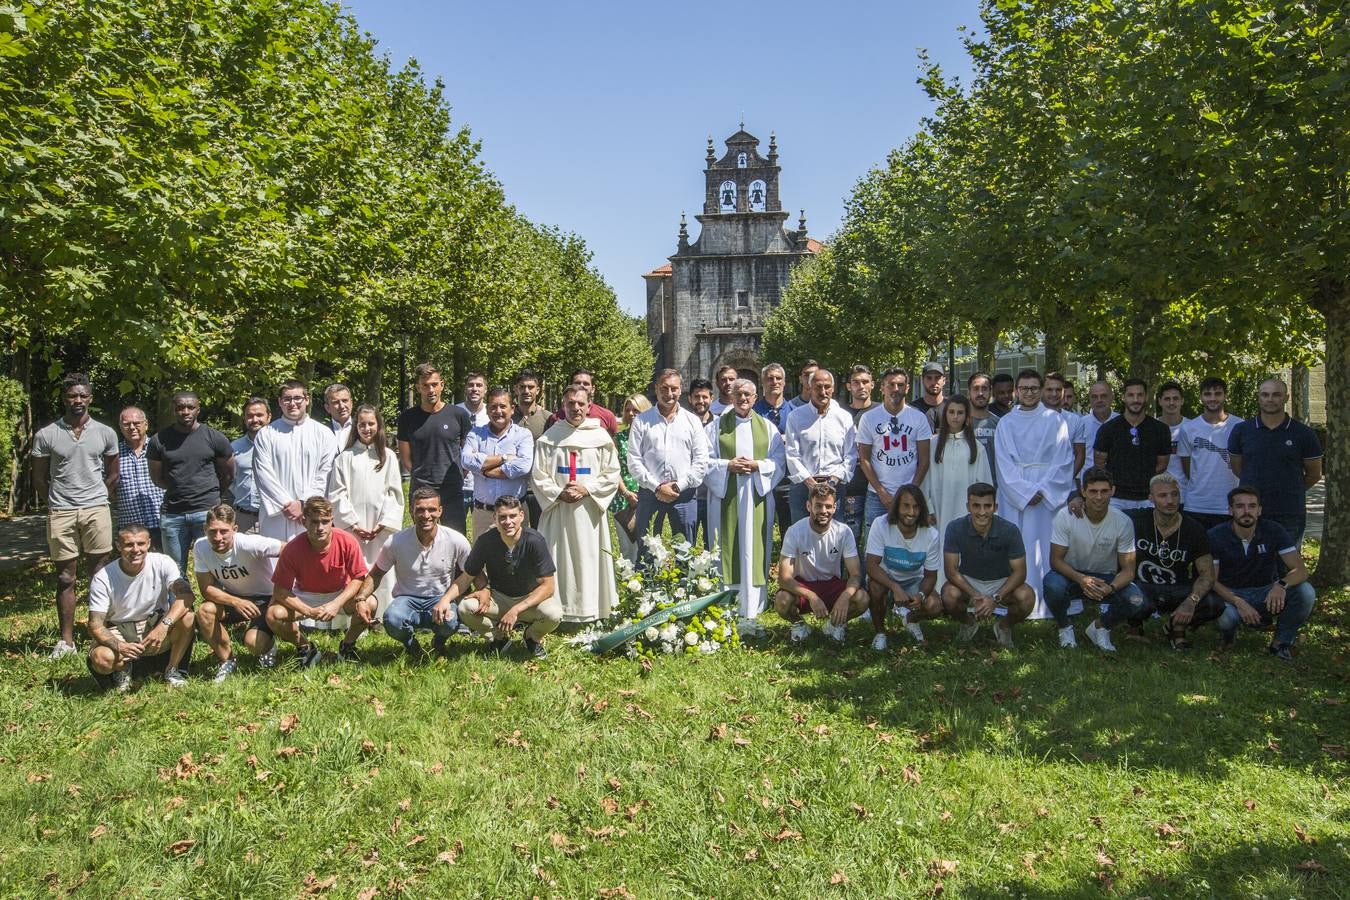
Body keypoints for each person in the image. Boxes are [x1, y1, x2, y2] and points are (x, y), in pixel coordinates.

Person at [32, 372, 120, 659]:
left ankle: (99, 633)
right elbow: (40, 478)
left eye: (83, 395)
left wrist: (99, 496)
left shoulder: (106, 432)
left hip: (96, 509)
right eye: (73, 396)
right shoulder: (47, 435)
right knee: (66, 577)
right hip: (62, 511)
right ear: (64, 398)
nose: (78, 400)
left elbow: (113, 472)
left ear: (90, 398)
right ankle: (66, 641)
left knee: (100, 574)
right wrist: (56, 503)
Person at [532, 386, 622, 625]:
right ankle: (556, 609)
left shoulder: (601, 437)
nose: (576, 408)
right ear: (563, 405)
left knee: (589, 558)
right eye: (571, 403)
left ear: (588, 405)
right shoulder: (550, 437)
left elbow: (612, 473)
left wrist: (587, 489)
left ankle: (592, 610)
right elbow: (538, 475)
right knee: (557, 557)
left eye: (581, 404)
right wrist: (559, 493)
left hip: (588, 510)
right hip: (558, 511)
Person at [703, 379, 786, 634]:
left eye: (748, 394)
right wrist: (727, 466)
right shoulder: (716, 427)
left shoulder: (768, 428)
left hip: (755, 496)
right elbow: (703, 460)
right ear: (731, 395)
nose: (743, 398)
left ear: (755, 396)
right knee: (726, 546)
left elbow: (779, 463)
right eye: (738, 394)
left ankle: (752, 604)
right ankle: (726, 600)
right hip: (724, 496)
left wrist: (757, 466)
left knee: (754, 547)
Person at [993, 369, 1075, 610]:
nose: (1029, 393)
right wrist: (1025, 492)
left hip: (1046, 497)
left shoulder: (1055, 420)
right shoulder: (1006, 422)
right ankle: (1016, 598)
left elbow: (1064, 460)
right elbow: (1003, 463)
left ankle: (1046, 601)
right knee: (1017, 545)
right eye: (1024, 389)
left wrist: (1044, 491)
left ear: (1041, 390)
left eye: (1034, 388)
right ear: (1017, 391)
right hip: (1016, 495)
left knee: (1045, 545)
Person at [1042, 467, 1144, 652]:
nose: (1099, 497)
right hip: (1072, 576)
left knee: (1137, 599)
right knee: (1052, 584)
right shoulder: (1066, 517)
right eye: (1093, 491)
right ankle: (1065, 627)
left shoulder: (1123, 521)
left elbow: (1128, 571)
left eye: (1104, 491)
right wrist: (1081, 579)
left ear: (1112, 491)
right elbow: (1055, 561)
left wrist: (1110, 587)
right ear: (1083, 491)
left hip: (1105, 578)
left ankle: (1101, 627)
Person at [1208, 486, 1315, 659]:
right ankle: (1228, 638)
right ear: (1230, 510)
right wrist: (1238, 601)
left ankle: (1281, 643)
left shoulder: (1273, 530)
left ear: (1259, 510)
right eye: (1240, 506)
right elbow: (1211, 580)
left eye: (1252, 506)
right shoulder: (1215, 535)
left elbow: (1301, 570)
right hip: (1231, 594)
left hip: (1265, 591)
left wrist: (1281, 585)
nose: (1246, 511)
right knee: (1226, 617)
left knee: (1306, 592)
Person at [86, 524, 196, 690]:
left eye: (141, 544)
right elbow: (95, 624)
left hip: (154, 623)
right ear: (118, 546)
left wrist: (164, 626)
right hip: (119, 629)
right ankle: (122, 670)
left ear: (149, 543)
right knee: (102, 659)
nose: (135, 549)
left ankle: (172, 669)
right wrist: (120, 646)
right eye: (129, 545)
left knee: (188, 617)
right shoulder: (103, 578)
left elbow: (187, 595)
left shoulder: (162, 562)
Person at [265, 496, 374, 666]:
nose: (320, 528)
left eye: (325, 521)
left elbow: (359, 577)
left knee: (370, 603)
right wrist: (308, 611)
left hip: (339, 593)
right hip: (306, 595)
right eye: (314, 522)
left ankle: (347, 646)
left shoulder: (347, 541)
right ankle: (305, 647)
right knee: (273, 615)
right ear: (304, 521)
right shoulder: (292, 549)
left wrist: (336, 603)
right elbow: (280, 591)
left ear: (332, 521)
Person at [454, 495, 561, 658]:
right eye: (502, 517)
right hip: (499, 597)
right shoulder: (485, 540)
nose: (508, 522)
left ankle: (532, 637)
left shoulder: (535, 540)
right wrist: (445, 600)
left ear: (521, 516)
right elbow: (467, 576)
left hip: (529, 599)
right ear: (494, 518)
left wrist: (516, 610)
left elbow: (548, 586)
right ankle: (497, 638)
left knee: (554, 615)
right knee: (465, 608)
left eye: (512, 516)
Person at [370, 487, 472, 658]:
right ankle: (411, 644)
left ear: (440, 511)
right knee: (392, 619)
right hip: (407, 599)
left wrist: (481, 591)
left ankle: (438, 642)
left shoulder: (456, 539)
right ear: (411, 512)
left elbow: (471, 574)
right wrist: (361, 598)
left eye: (432, 509)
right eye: (420, 510)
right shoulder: (396, 541)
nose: (426, 515)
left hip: (440, 598)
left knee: (452, 621)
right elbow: (376, 574)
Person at [1127, 474, 1222, 649]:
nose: (1170, 500)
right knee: (1131, 595)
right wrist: (1077, 501)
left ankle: (1175, 627)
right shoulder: (1135, 520)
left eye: (1174, 494)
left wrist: (1191, 601)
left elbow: (1207, 575)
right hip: (1143, 586)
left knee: (1214, 604)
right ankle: (1135, 626)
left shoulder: (1194, 529)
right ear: (1151, 498)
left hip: (1178, 588)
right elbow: (1103, 512)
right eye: (1163, 496)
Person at [329, 404, 404, 620]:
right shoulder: (345, 457)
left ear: (378, 425)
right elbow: (337, 494)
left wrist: (383, 522)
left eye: (371, 423)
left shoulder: (388, 456)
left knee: (381, 569)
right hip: (354, 528)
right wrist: (352, 524)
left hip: (380, 528)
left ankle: (383, 614)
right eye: (362, 424)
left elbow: (395, 493)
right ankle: (353, 613)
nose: (367, 428)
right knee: (353, 569)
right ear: (356, 427)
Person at [193, 504, 285, 681]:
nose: (218, 537)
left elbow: (288, 549)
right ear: (205, 529)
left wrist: (282, 586)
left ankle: (269, 646)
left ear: (234, 529)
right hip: (236, 598)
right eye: (212, 531)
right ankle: (227, 660)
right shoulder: (200, 547)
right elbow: (207, 589)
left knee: (253, 643)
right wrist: (236, 601)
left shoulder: (249, 543)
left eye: (224, 531)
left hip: (266, 598)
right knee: (205, 611)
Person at [147, 390, 235, 574]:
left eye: (190, 407)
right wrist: (179, 488)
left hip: (206, 512)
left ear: (198, 409)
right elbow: (157, 478)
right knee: (174, 572)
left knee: (216, 568)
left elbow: (228, 474)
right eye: (180, 407)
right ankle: (180, 604)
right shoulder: (159, 440)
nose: (185, 411)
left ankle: (214, 603)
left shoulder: (214, 437)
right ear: (173, 409)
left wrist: (211, 494)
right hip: (173, 514)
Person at [1228, 378, 1322, 546]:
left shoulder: (1303, 433)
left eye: (1276, 395)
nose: (1270, 399)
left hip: (1290, 512)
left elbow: (1314, 474)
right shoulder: (1242, 430)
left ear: (1286, 398)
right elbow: (1237, 468)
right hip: (1251, 512)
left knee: (1288, 566)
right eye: (1265, 395)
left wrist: (1291, 488)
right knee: (1252, 565)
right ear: (1258, 397)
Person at [940, 482, 1035, 648]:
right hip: (969, 581)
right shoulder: (955, 528)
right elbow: (951, 570)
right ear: (968, 507)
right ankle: (968, 623)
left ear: (995, 507)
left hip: (1001, 581)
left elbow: (1020, 572)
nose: (982, 512)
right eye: (976, 506)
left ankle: (1004, 626)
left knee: (1027, 597)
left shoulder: (1010, 531)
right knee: (949, 594)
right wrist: (975, 595)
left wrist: (995, 598)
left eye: (987, 506)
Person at [627, 370, 710, 551]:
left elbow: (701, 461)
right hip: (650, 494)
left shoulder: (692, 422)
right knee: (647, 552)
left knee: (685, 553)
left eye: (674, 388)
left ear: (681, 390)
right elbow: (634, 460)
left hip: (684, 495)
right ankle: (648, 581)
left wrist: (678, 486)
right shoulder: (642, 421)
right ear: (656, 389)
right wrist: (657, 487)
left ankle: (683, 580)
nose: (669, 394)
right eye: (664, 388)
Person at [773, 483, 864, 643]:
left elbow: (856, 574)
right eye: (818, 506)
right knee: (782, 601)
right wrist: (812, 596)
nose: (823, 511)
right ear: (809, 506)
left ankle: (834, 625)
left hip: (832, 585)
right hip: (804, 586)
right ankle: (799, 625)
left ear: (835, 508)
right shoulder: (794, 531)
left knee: (862, 598)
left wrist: (845, 596)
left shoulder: (843, 531)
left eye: (828, 506)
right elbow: (784, 578)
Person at [253, 379, 338, 542]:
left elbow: (326, 473)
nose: (293, 403)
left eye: (298, 398)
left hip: (311, 514)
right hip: (276, 515)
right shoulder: (266, 434)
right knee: (275, 562)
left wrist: (304, 503)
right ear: (280, 402)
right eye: (287, 399)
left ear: (307, 399)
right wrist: (287, 504)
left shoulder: (324, 434)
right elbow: (263, 474)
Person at [397, 363, 472, 532]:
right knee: (421, 538)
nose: (430, 390)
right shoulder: (407, 418)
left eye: (434, 384)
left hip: (452, 487)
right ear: (418, 388)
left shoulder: (458, 415)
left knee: (455, 536)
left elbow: (468, 451)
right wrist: (419, 475)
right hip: (421, 488)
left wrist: (460, 472)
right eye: (425, 385)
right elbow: (405, 457)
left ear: (442, 385)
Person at [864, 484, 940, 649]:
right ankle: (880, 633)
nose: (911, 512)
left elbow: (931, 575)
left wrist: (920, 595)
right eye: (906, 506)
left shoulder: (931, 535)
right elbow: (871, 565)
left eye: (916, 507)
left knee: (935, 605)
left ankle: (910, 619)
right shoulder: (881, 524)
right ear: (897, 506)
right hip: (886, 578)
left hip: (914, 579)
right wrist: (895, 587)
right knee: (875, 588)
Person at [924, 397, 992, 570]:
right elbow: (925, 480)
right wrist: (928, 508)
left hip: (965, 510)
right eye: (951, 412)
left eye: (960, 413)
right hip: (939, 509)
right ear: (945, 414)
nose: (955, 417)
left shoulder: (976, 447)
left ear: (967, 416)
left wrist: (980, 512)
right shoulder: (932, 445)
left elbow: (984, 485)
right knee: (938, 546)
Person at [784, 368, 857, 524]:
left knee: (834, 537)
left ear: (833, 388)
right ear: (809, 387)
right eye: (818, 386)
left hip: (835, 486)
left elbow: (850, 455)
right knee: (800, 536)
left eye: (827, 386)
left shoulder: (844, 418)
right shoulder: (795, 417)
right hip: (803, 487)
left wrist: (833, 481)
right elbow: (791, 454)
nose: (823, 391)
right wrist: (810, 483)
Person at [461, 387, 534, 537]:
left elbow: (523, 466)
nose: (498, 411)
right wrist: (505, 458)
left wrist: (484, 469)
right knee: (484, 559)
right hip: (484, 514)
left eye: (502, 406)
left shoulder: (523, 435)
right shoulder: (475, 434)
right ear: (487, 410)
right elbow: (466, 460)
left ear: (512, 409)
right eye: (493, 407)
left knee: (517, 558)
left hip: (514, 514)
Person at [1092, 379, 1170, 510]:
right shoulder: (1108, 429)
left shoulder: (1160, 429)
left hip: (1148, 498)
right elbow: (1099, 464)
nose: (1136, 399)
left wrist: (1142, 477)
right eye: (1131, 395)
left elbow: (1162, 464)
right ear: (1123, 397)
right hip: (1117, 499)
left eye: (1140, 395)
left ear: (1146, 397)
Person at [1177, 377, 1242, 530]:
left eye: (1217, 394)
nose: (1212, 398)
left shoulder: (1240, 426)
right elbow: (1188, 468)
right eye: (1207, 394)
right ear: (1201, 397)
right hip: (1197, 505)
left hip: (1230, 505)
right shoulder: (1189, 428)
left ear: (1225, 395)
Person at [115, 406, 164, 550]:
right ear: (120, 427)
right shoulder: (114, 454)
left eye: (136, 423)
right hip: (130, 527)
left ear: (146, 424)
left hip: (160, 522)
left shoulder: (160, 449)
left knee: (165, 565)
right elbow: (110, 486)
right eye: (126, 424)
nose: (132, 427)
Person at [610, 394, 651, 563]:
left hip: (649, 497)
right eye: (628, 410)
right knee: (627, 548)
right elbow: (613, 469)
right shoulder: (618, 439)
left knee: (650, 546)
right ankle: (629, 586)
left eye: (636, 410)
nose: (631, 414)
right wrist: (626, 492)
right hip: (623, 499)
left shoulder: (653, 438)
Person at [839, 365, 875, 546]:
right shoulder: (840, 414)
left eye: (865, 382)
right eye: (856, 382)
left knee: (874, 542)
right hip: (851, 487)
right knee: (849, 540)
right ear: (848, 386)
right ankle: (851, 575)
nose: (861, 386)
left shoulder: (881, 412)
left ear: (873, 385)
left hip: (878, 488)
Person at [512, 370, 550, 526]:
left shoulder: (548, 418)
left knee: (540, 534)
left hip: (539, 488)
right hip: (513, 486)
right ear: (515, 389)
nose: (526, 391)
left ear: (538, 390)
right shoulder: (507, 418)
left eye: (530, 387)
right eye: (522, 387)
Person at [229, 397, 271, 533]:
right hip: (243, 518)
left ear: (269, 417)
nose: (255, 420)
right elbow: (229, 478)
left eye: (259, 415)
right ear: (244, 418)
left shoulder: (281, 446)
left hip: (273, 517)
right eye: (250, 416)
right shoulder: (234, 447)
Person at [683, 377, 716, 546]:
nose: (700, 401)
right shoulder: (683, 423)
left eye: (704, 397)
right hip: (690, 495)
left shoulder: (720, 424)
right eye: (696, 397)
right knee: (687, 544)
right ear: (690, 399)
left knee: (713, 544)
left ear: (712, 398)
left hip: (713, 495)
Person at [545, 368, 619, 435]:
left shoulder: (607, 416)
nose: (582, 386)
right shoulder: (556, 418)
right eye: (577, 383)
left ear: (593, 389)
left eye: (586, 384)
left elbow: (613, 446)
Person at [457, 372, 490, 519]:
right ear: (465, 388)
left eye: (479, 385)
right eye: (470, 385)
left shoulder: (494, 412)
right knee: (455, 529)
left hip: (485, 482)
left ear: (485, 389)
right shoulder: (454, 412)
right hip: (458, 483)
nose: (474, 389)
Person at [1072, 381, 1117, 477]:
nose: (1099, 400)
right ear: (1090, 400)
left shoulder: (1121, 423)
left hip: (1118, 483)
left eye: (1103, 396)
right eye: (1094, 397)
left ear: (1111, 398)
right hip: (1087, 485)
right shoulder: (1081, 424)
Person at [966, 372, 1000, 486]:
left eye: (984, 389)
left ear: (990, 392)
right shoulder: (961, 423)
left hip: (995, 488)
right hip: (967, 487)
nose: (980, 393)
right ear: (968, 392)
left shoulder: (1000, 424)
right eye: (976, 389)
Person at [1156, 380, 1188, 485]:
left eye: (1175, 398)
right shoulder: (1150, 427)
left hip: (1186, 492)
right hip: (1157, 492)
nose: (1171, 403)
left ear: (1182, 401)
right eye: (1167, 399)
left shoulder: (1192, 428)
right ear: (1160, 401)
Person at [913, 361, 947, 430]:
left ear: (944, 381)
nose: (933, 382)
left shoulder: (952, 407)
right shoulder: (913, 409)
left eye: (937, 378)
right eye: (929, 378)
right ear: (922, 380)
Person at [323, 383, 354, 447]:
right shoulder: (321, 431)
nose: (342, 406)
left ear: (351, 403)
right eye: (336, 402)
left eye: (345, 401)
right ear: (327, 408)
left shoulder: (362, 428)